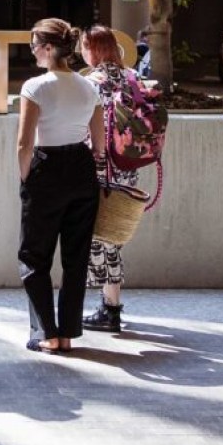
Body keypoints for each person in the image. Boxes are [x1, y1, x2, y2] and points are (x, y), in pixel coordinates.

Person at [14, 17, 104, 353]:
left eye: (35, 45)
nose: (33, 52)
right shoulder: (88, 87)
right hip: (82, 169)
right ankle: (67, 333)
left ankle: (46, 333)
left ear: (49, 48)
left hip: (46, 167)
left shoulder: (35, 87)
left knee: (34, 256)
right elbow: (99, 145)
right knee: (75, 257)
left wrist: (26, 179)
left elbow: (24, 143)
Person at [81, 24, 139, 333]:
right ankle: (111, 305)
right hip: (128, 166)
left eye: (84, 46)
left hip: (100, 165)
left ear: (94, 48)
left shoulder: (93, 82)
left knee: (100, 238)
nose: (81, 52)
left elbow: (83, 125)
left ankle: (110, 309)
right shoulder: (132, 77)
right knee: (113, 237)